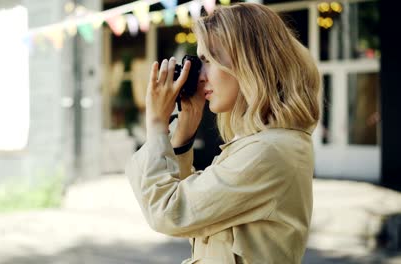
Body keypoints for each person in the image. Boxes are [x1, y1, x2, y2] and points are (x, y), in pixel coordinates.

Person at [125, 2, 320, 263]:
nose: (200, 76)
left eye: (207, 60)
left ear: (250, 63)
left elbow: (168, 212)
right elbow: (192, 213)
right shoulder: (262, 143)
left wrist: (157, 124)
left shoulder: (268, 152)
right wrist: (182, 133)